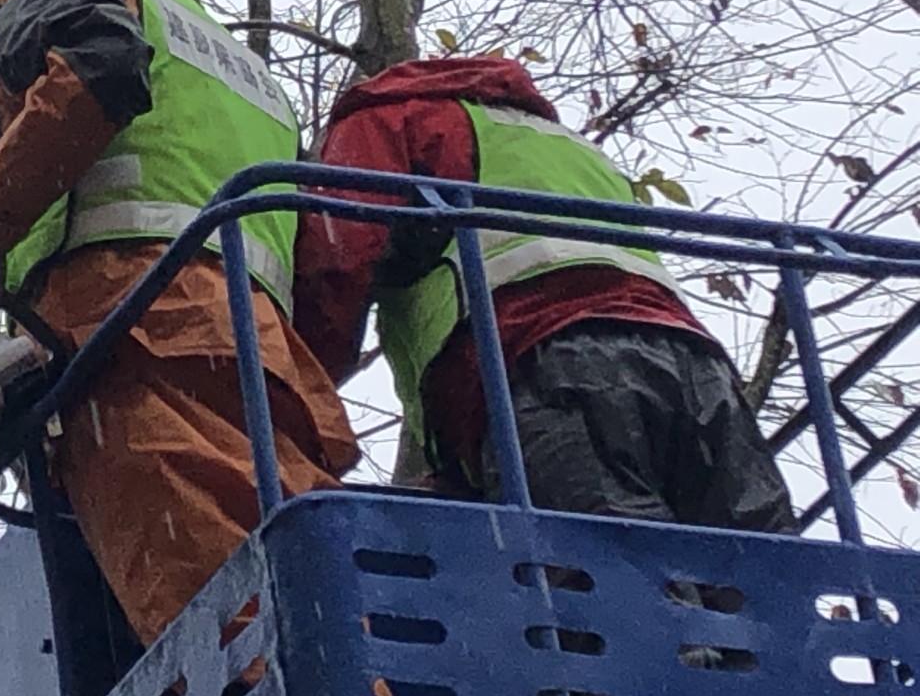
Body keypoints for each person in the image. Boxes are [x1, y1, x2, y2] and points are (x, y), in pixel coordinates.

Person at [0, 0, 362, 650]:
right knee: (309, 584)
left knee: (215, 603)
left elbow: (94, 76)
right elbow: (314, 253)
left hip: (131, 330)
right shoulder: (251, 78)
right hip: (261, 355)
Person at [291, 55, 794, 533]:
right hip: (695, 366)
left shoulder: (390, 120)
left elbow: (337, 260)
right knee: (762, 574)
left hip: (545, 363)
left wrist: (294, 391)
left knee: (608, 572)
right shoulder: (570, 145)